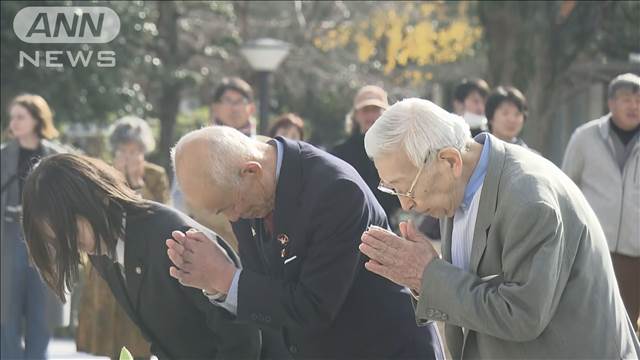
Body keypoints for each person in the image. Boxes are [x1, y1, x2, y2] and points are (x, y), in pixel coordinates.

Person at [358, 98, 640, 358]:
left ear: (449, 161)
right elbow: (471, 288)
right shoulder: (453, 187)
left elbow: (521, 314)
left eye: (406, 188)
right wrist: (423, 279)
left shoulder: (530, 200)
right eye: (393, 190)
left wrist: (428, 275)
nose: (406, 204)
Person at [166, 126, 443, 359]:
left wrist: (225, 278)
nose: (233, 217)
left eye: (228, 206)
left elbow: (313, 308)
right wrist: (216, 285)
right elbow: (267, 294)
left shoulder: (335, 191)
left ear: (250, 171)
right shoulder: (243, 192)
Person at [21, 153, 261, 360]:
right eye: (59, 241)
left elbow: (242, 336)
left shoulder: (174, 239)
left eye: (71, 232)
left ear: (95, 198)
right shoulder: (101, 247)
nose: (73, 247)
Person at [76, 116, 170, 359]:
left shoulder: (155, 175)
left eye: (135, 149)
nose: (129, 155)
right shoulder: (102, 173)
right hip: (107, 259)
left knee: (139, 333)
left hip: (142, 262)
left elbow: (162, 212)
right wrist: (116, 179)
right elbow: (98, 213)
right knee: (109, 333)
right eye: (124, 149)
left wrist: (138, 184)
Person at [562, 73, 640, 333]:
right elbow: (566, 189)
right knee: (588, 323)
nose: (634, 106)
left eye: (639, 100)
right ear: (611, 103)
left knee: (627, 326)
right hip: (593, 248)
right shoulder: (585, 137)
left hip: (635, 253)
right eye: (627, 99)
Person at [1, 94, 66, 359]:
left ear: (37, 120)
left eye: (20, 117)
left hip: (45, 239)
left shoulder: (56, 157)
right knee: (6, 311)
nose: (13, 123)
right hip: (7, 237)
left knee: (42, 312)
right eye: (12, 117)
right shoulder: (3, 155)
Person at [171, 76, 258, 250]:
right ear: (216, 108)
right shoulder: (197, 146)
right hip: (207, 242)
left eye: (240, 101)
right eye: (228, 101)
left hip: (255, 247)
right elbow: (179, 197)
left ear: (251, 108)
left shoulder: (261, 147)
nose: (234, 107)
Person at [332, 85, 401, 227]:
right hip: (350, 228)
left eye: (375, 110)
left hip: (388, 227)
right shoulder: (340, 152)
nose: (370, 116)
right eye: (365, 110)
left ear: (385, 113)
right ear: (356, 115)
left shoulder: (397, 150)